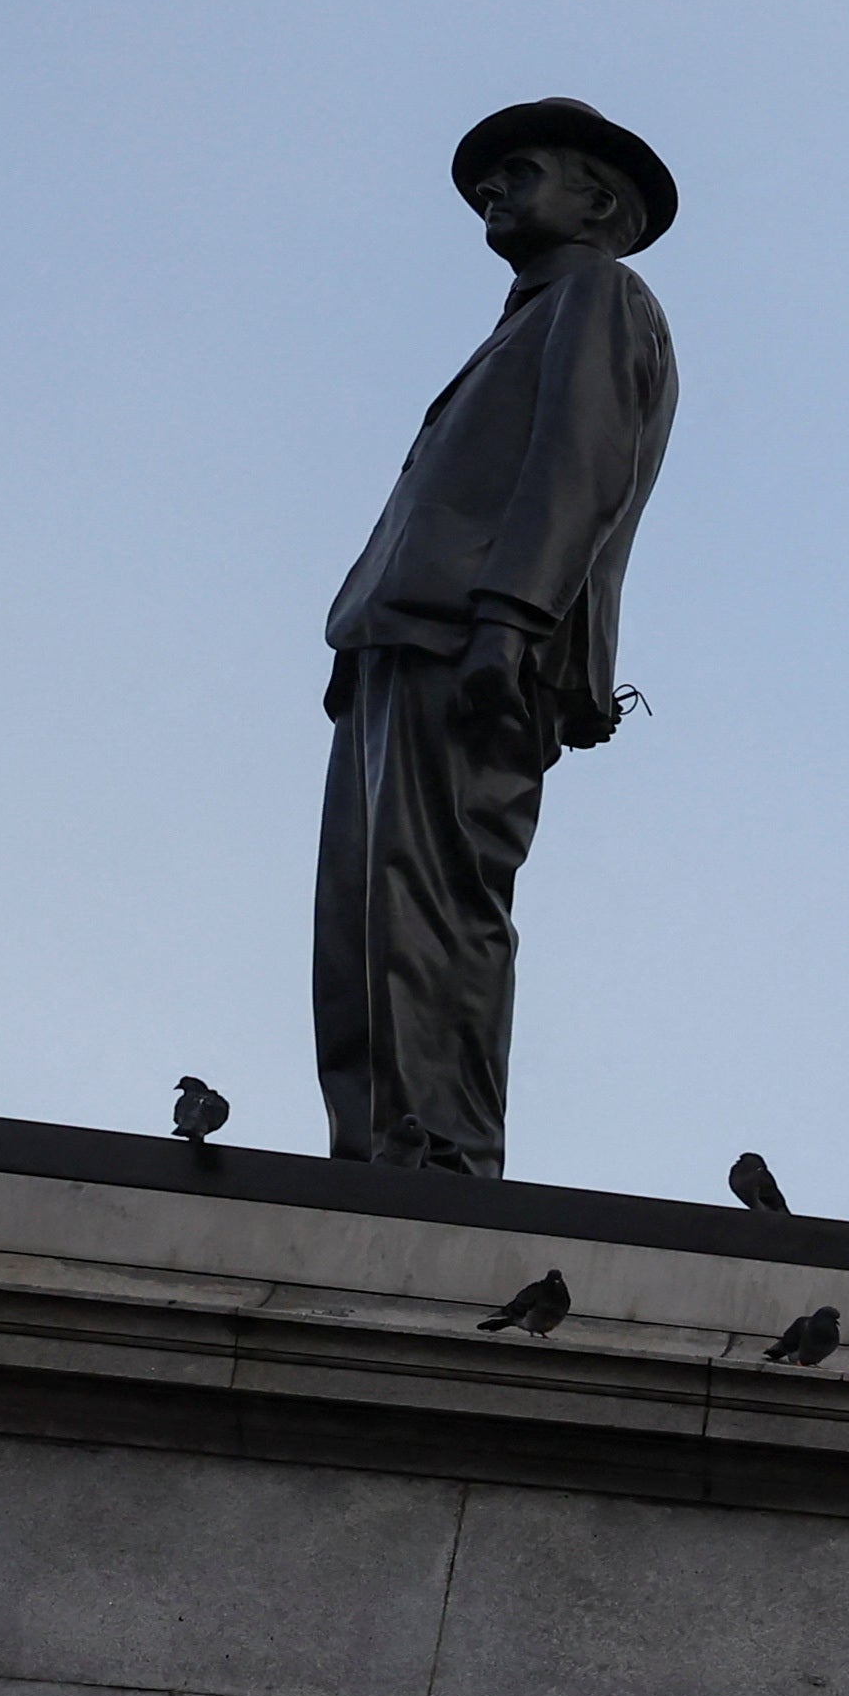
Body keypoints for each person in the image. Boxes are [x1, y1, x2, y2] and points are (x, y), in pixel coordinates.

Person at [315, 97, 678, 1177]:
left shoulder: (602, 297)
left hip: (469, 644)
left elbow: (584, 461)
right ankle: (374, 1146)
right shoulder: (529, 320)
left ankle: (438, 1150)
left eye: (519, 173)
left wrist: (509, 622)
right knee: (363, 923)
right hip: (401, 639)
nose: (492, 193)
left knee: (433, 901)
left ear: (598, 200)